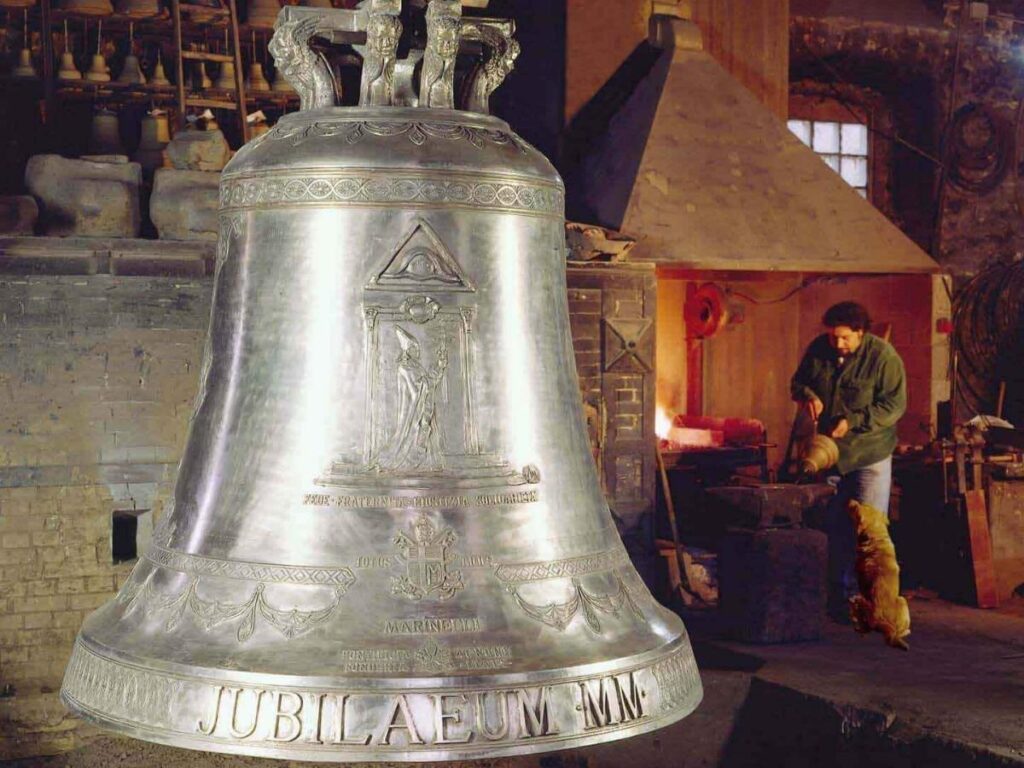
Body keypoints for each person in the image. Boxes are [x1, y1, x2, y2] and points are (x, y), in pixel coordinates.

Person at [790, 301, 907, 619]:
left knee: (868, 530)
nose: (837, 344)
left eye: (844, 338)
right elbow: (798, 382)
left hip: (869, 453)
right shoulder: (820, 348)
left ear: (861, 333)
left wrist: (853, 421)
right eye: (833, 337)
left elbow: (894, 405)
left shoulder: (883, 357)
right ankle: (838, 597)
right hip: (830, 454)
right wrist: (807, 395)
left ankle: (873, 600)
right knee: (833, 525)